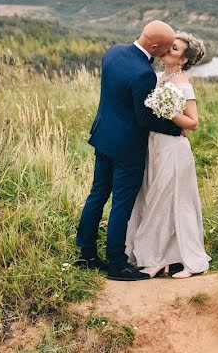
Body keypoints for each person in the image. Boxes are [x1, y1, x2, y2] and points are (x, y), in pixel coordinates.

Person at [75, 21, 182, 281]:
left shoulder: (114, 51)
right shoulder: (143, 73)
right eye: (165, 49)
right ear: (154, 46)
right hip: (127, 147)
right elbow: (143, 118)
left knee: (97, 195)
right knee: (121, 204)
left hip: (103, 136)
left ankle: (86, 254)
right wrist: (177, 129)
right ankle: (117, 264)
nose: (166, 54)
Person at [126, 32, 211, 278]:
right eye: (168, 46)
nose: (166, 51)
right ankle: (159, 256)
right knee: (152, 198)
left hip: (173, 149)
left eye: (174, 49)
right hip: (152, 146)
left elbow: (192, 123)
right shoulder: (155, 77)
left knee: (171, 202)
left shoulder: (183, 84)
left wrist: (168, 110)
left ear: (183, 60)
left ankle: (186, 261)